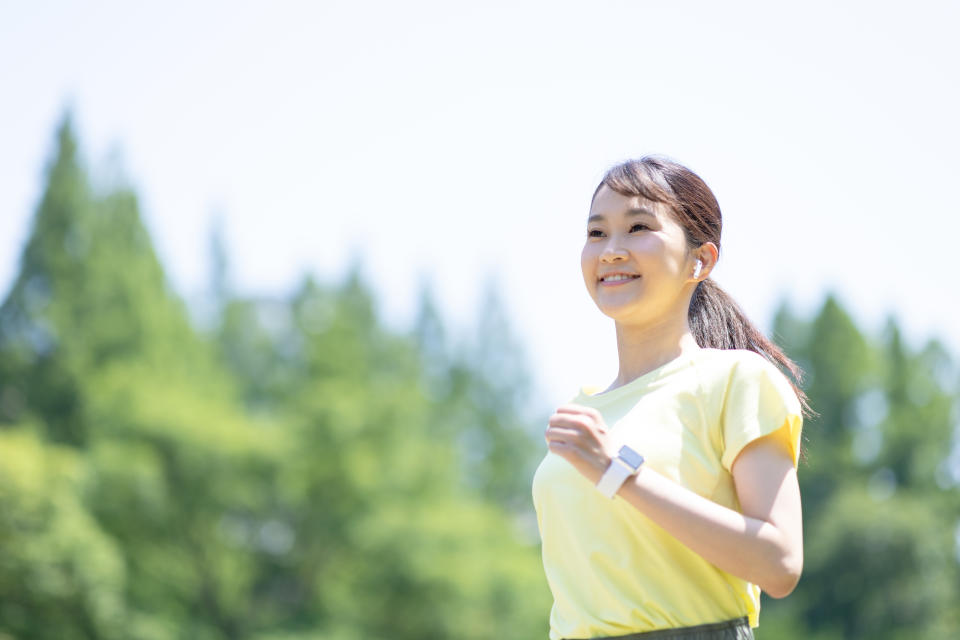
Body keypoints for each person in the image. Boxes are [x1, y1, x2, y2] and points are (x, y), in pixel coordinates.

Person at [531, 156, 814, 640]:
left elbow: (780, 563)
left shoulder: (738, 381)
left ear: (699, 260)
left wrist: (618, 471)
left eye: (638, 227)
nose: (611, 251)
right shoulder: (585, 409)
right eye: (597, 233)